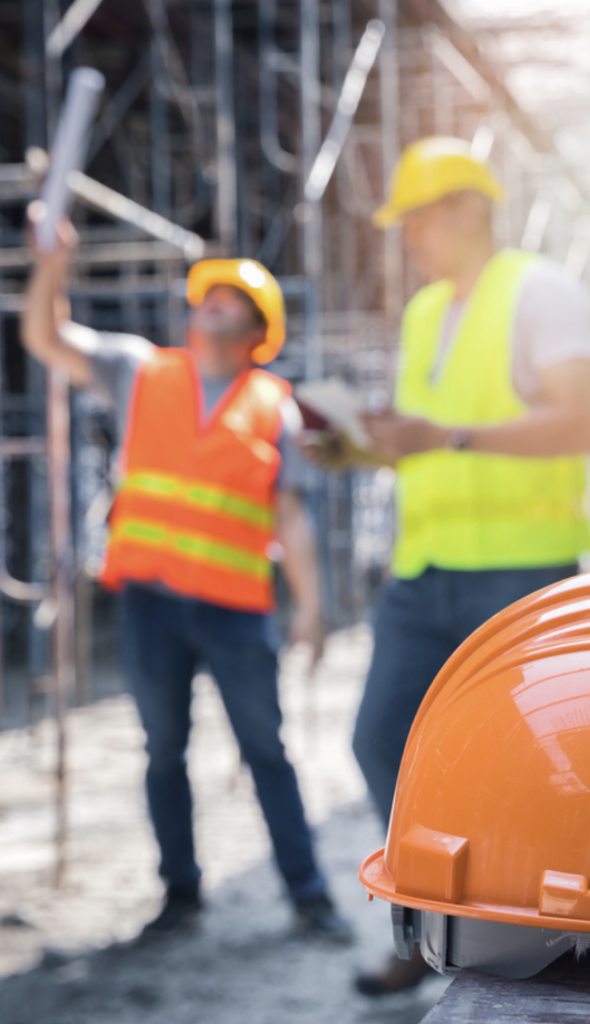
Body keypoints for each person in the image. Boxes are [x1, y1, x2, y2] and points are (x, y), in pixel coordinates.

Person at [21, 206, 352, 944]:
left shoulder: (279, 409)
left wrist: (310, 608)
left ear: (254, 327)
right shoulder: (142, 372)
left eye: (227, 296)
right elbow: (46, 336)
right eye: (207, 295)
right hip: (152, 606)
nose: (209, 303)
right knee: (162, 751)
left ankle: (309, 896)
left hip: (236, 612)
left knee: (265, 750)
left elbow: (289, 515)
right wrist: (54, 265)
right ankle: (181, 894)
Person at [347, 137, 590, 994]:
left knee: (532, 764)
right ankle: (428, 927)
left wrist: (446, 437)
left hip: (519, 575)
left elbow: (580, 423)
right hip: (426, 570)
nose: (408, 236)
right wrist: (362, 450)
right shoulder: (425, 312)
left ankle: (534, 931)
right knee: (384, 738)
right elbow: (430, 441)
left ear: (461, 210)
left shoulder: (540, 291)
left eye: (415, 217)